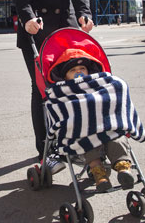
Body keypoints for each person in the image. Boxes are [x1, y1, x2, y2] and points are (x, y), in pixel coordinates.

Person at [9, 0, 94, 174]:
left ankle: (77, 142)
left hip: (67, 28)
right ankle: (45, 147)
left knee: (76, 84)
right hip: (36, 29)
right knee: (42, 88)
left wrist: (84, 13)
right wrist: (27, 17)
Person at [49, 49, 134, 192]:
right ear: (65, 76)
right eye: (73, 70)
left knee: (118, 139)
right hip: (82, 133)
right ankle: (99, 175)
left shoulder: (99, 87)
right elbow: (58, 113)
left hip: (107, 127)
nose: (79, 72)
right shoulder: (62, 93)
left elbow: (111, 100)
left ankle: (123, 169)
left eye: (82, 68)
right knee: (88, 144)